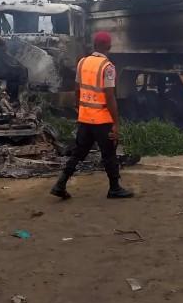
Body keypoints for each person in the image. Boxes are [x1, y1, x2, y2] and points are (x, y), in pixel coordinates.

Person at [50, 31, 133, 199]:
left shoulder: (82, 63)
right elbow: (110, 97)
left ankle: (60, 184)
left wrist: (80, 109)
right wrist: (116, 123)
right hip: (102, 119)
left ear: (94, 45)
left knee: (78, 152)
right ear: (108, 47)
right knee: (109, 154)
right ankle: (114, 188)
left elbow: (77, 90)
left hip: (85, 118)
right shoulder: (107, 67)